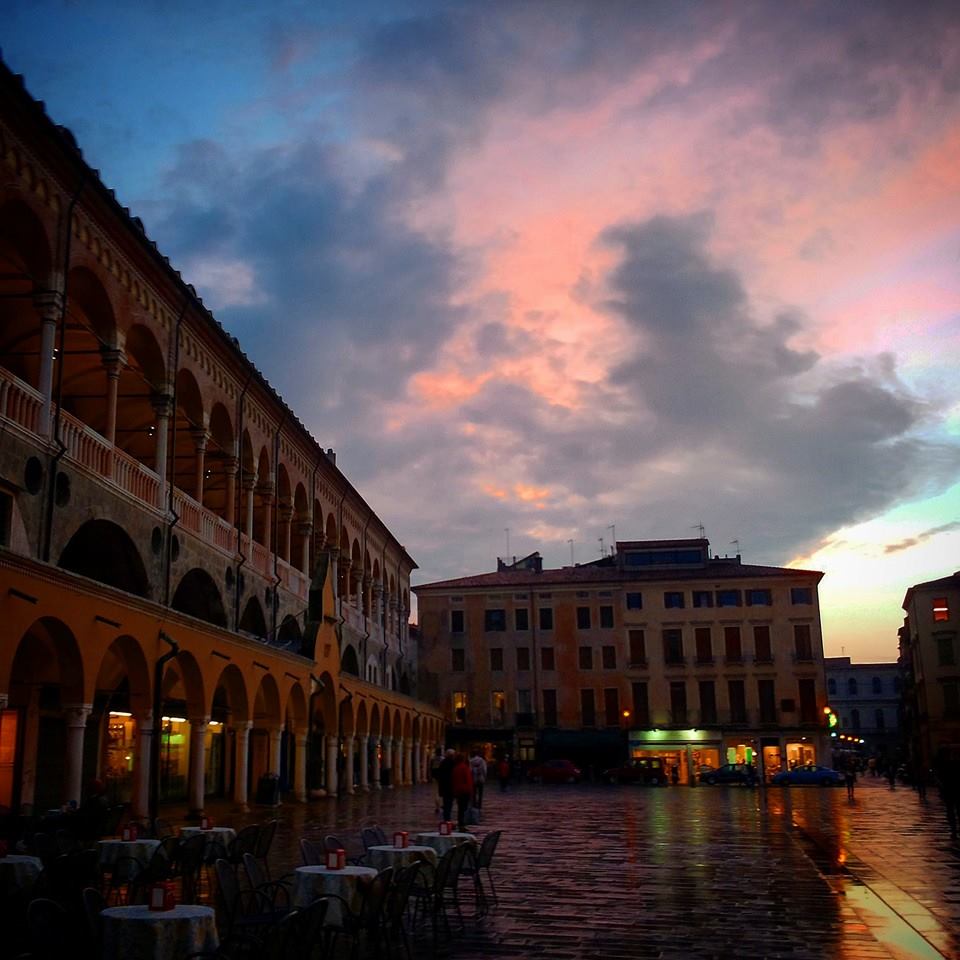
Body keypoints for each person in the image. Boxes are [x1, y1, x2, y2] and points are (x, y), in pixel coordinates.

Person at [933, 747, 960, 840]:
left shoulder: (943, 765)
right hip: (952, 790)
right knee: (952, 811)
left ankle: (954, 831)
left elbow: (938, 778)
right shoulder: (953, 764)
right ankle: (954, 830)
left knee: (950, 811)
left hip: (949, 790)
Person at [451, 752, 474, 831]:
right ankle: (462, 823)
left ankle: (460, 822)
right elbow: (468, 780)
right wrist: (471, 791)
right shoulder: (464, 767)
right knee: (464, 808)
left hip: (458, 790)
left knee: (460, 808)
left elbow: (454, 780)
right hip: (465, 790)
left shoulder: (455, 768)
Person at [437, 748, 456, 822]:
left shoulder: (443, 763)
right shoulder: (453, 763)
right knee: (449, 804)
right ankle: (448, 820)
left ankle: (446, 819)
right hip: (450, 787)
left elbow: (439, 775)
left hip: (444, 787)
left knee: (446, 803)